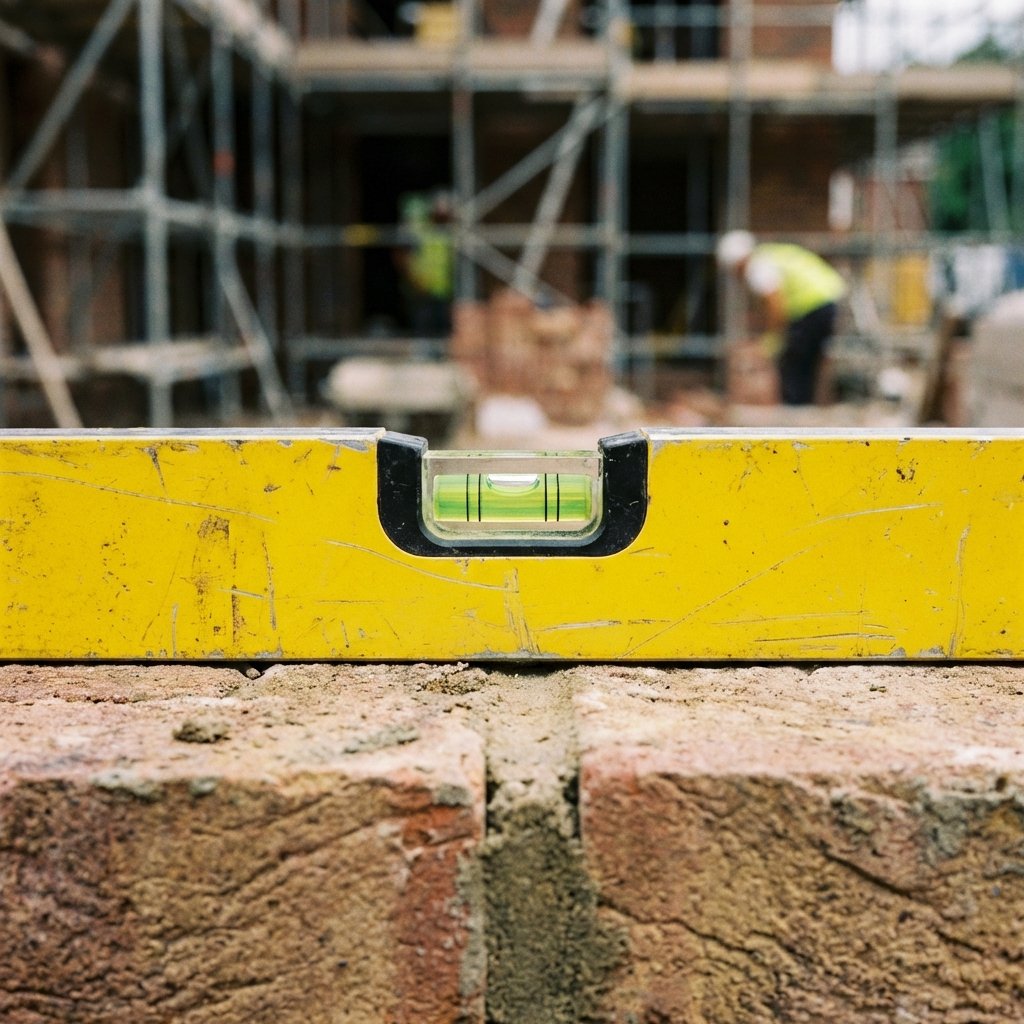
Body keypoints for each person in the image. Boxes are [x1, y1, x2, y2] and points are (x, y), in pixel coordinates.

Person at [716, 230, 847, 405]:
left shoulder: (757, 267)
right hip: (827, 298)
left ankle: (795, 409)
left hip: (813, 305)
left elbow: (775, 306)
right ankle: (803, 406)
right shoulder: (768, 256)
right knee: (806, 362)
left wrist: (771, 341)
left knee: (795, 363)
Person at [395, 190, 454, 340]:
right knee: (423, 328)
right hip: (421, 287)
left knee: (442, 329)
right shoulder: (421, 232)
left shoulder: (446, 233)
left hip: (442, 289)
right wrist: (414, 280)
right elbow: (403, 257)